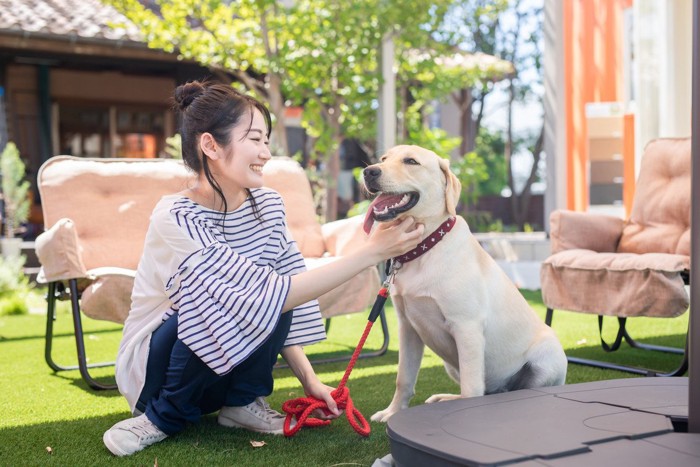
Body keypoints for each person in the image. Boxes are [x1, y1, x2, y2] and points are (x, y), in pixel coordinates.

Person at [102, 81, 424, 457]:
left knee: (278, 286)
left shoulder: (268, 204)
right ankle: (160, 418)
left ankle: (241, 404)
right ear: (210, 145)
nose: (266, 153)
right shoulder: (176, 215)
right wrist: (372, 253)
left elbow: (287, 292)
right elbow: (255, 293)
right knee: (220, 293)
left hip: (221, 373)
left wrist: (310, 380)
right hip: (158, 373)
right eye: (254, 139)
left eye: (266, 140)